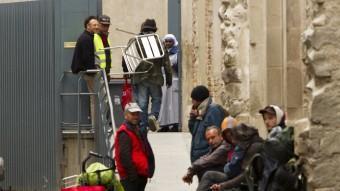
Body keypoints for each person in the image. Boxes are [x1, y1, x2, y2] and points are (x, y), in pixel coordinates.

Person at [122, 18, 172, 133]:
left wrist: (127, 73)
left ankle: (142, 127)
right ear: (154, 29)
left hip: (140, 78)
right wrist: (169, 78)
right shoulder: (159, 41)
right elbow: (166, 62)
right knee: (156, 99)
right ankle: (153, 116)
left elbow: (126, 58)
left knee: (142, 104)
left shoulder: (135, 40)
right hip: (155, 77)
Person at [206, 124, 264, 191]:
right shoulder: (243, 146)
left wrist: (222, 186)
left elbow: (244, 175)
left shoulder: (252, 147)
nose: (233, 141)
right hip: (243, 181)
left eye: (233, 137)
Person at [114, 102, 155, 191]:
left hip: (139, 175)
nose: (136, 116)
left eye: (137, 114)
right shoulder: (124, 133)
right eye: (132, 114)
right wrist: (133, 176)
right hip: (131, 178)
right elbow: (124, 157)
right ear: (126, 115)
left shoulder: (137, 129)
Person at [71, 16, 99, 128]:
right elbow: (87, 58)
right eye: (94, 25)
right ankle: (95, 126)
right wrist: (93, 71)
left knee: (94, 98)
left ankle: (95, 125)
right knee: (94, 99)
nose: (97, 26)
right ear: (88, 26)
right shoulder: (86, 38)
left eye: (97, 24)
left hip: (90, 72)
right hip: (90, 73)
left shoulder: (88, 37)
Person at [189, 85, 227, 163]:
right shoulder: (200, 111)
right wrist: (192, 118)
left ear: (198, 99)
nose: (192, 101)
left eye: (193, 99)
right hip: (200, 158)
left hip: (206, 158)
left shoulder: (213, 110)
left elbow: (216, 137)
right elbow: (193, 131)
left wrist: (209, 156)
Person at [158, 34, 180, 132]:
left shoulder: (177, 54)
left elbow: (179, 68)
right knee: (164, 103)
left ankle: (175, 124)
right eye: (166, 41)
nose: (167, 43)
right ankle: (164, 125)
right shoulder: (161, 53)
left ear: (173, 42)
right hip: (163, 81)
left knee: (174, 104)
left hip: (174, 81)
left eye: (170, 41)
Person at [94, 15, 112, 81]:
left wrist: (108, 72)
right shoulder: (94, 37)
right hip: (98, 72)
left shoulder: (106, 37)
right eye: (103, 25)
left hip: (106, 72)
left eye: (107, 25)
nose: (106, 27)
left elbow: (107, 54)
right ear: (98, 24)